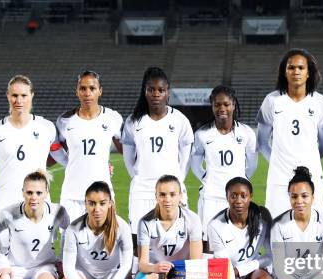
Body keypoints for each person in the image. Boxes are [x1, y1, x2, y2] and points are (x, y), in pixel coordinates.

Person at [0, 74, 58, 279]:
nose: (19, 100)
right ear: (8, 96)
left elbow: (61, 154)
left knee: (41, 254)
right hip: (4, 201)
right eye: (14, 95)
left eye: (24, 95)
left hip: (38, 203)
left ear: (32, 96)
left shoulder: (46, 127)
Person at [122, 67, 194, 249]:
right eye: (151, 90)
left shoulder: (179, 120)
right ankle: (137, 274)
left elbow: (186, 154)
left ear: (167, 92)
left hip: (172, 190)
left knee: (177, 238)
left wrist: (178, 180)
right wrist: (138, 176)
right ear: (145, 92)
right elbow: (128, 156)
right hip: (142, 189)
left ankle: (175, 275)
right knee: (138, 237)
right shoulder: (134, 121)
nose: (156, 94)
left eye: (160, 90)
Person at [256, 48, 323, 217]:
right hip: (279, 178)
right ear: (284, 72)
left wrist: (307, 162)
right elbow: (261, 142)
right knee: (277, 231)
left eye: (300, 68)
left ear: (308, 73)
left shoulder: (320, 102)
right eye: (291, 67)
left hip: (311, 176)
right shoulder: (271, 101)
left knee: (315, 230)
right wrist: (278, 162)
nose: (296, 71)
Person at [191, 85, 257, 251]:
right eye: (217, 105)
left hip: (237, 199)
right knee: (208, 242)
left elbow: (253, 163)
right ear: (212, 106)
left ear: (233, 105)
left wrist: (242, 179)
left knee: (238, 239)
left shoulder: (246, 133)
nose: (222, 108)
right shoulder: (202, 134)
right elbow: (195, 162)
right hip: (211, 196)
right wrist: (206, 178)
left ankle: (237, 275)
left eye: (226, 104)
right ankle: (209, 276)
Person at [0, 170, 69, 279]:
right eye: (29, 192)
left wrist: (63, 260)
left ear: (46, 193)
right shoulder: (9, 213)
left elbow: (70, 232)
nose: (34, 197)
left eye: (39, 193)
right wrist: (3, 264)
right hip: (15, 268)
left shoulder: (58, 211)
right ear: (23, 192)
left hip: (45, 266)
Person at [54, 70, 123, 221]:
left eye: (92, 88)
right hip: (72, 195)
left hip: (103, 195)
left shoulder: (113, 118)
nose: (87, 93)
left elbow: (125, 149)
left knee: (105, 243)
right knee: (69, 243)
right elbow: (54, 148)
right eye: (83, 89)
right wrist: (69, 163)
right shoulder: (65, 121)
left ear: (100, 91)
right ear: (77, 92)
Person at [271, 166, 323, 279]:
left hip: (315, 275)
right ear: (289, 197)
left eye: (304, 196)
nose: (299, 201)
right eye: (294, 196)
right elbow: (278, 265)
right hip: (289, 276)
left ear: (313, 197)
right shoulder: (278, 225)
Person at [58, 181, 134, 279]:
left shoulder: (123, 227)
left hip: (112, 273)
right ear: (86, 204)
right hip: (86, 273)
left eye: (102, 203)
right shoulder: (73, 229)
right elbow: (68, 268)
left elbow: (126, 266)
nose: (96, 209)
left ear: (110, 204)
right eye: (92, 203)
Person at [134, 175, 202, 279]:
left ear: (180, 195)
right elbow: (142, 265)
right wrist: (155, 267)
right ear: (156, 196)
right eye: (162, 195)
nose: (167, 199)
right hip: (159, 270)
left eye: (172, 194)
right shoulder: (145, 222)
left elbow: (196, 263)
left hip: (185, 271)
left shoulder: (192, 219)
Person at [207, 177, 273, 279]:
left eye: (243, 196)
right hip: (224, 274)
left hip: (251, 271)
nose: (238, 201)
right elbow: (225, 268)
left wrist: (241, 270)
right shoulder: (215, 226)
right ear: (227, 197)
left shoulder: (262, 219)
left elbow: (270, 256)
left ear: (250, 197)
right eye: (233, 196)